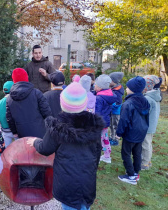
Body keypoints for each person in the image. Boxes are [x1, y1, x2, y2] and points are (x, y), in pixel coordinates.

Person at [27, 82, 104, 210]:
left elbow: (45, 149)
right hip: (87, 179)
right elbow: (97, 152)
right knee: (83, 205)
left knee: (69, 206)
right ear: (84, 104)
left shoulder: (58, 127)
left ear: (62, 104)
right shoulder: (94, 126)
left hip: (67, 181)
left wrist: (35, 142)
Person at [116, 76, 150, 185]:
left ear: (133, 89)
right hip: (141, 132)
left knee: (126, 153)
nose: (126, 89)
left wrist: (119, 133)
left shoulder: (128, 104)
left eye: (128, 87)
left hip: (130, 132)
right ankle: (136, 172)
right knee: (137, 152)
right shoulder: (145, 101)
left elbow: (124, 120)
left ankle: (130, 175)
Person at [6, 68, 52, 138]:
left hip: (22, 133)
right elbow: (46, 112)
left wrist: (14, 131)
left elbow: (10, 118)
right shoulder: (36, 93)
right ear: (26, 77)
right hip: (40, 131)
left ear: (14, 80)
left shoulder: (9, 99)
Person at [95, 74, 117, 164]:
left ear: (100, 87)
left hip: (99, 122)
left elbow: (97, 112)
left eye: (95, 85)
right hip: (106, 121)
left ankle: (96, 156)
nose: (94, 86)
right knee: (105, 138)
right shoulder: (110, 94)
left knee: (98, 140)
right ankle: (107, 156)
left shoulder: (99, 98)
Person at [141, 75, 161, 170]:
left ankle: (144, 163)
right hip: (151, 125)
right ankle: (147, 161)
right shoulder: (155, 96)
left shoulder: (148, 99)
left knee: (145, 144)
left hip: (147, 125)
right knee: (148, 144)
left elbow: (144, 113)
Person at [0, 81, 17, 148]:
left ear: (3, 91)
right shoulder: (15, 100)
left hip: (5, 131)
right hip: (16, 130)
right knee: (19, 149)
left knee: (7, 150)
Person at [109, 72, 125, 146]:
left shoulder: (117, 91)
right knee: (111, 125)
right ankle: (111, 137)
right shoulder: (114, 89)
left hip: (116, 112)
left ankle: (115, 139)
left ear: (114, 81)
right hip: (112, 111)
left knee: (115, 125)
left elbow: (117, 103)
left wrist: (110, 105)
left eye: (110, 80)